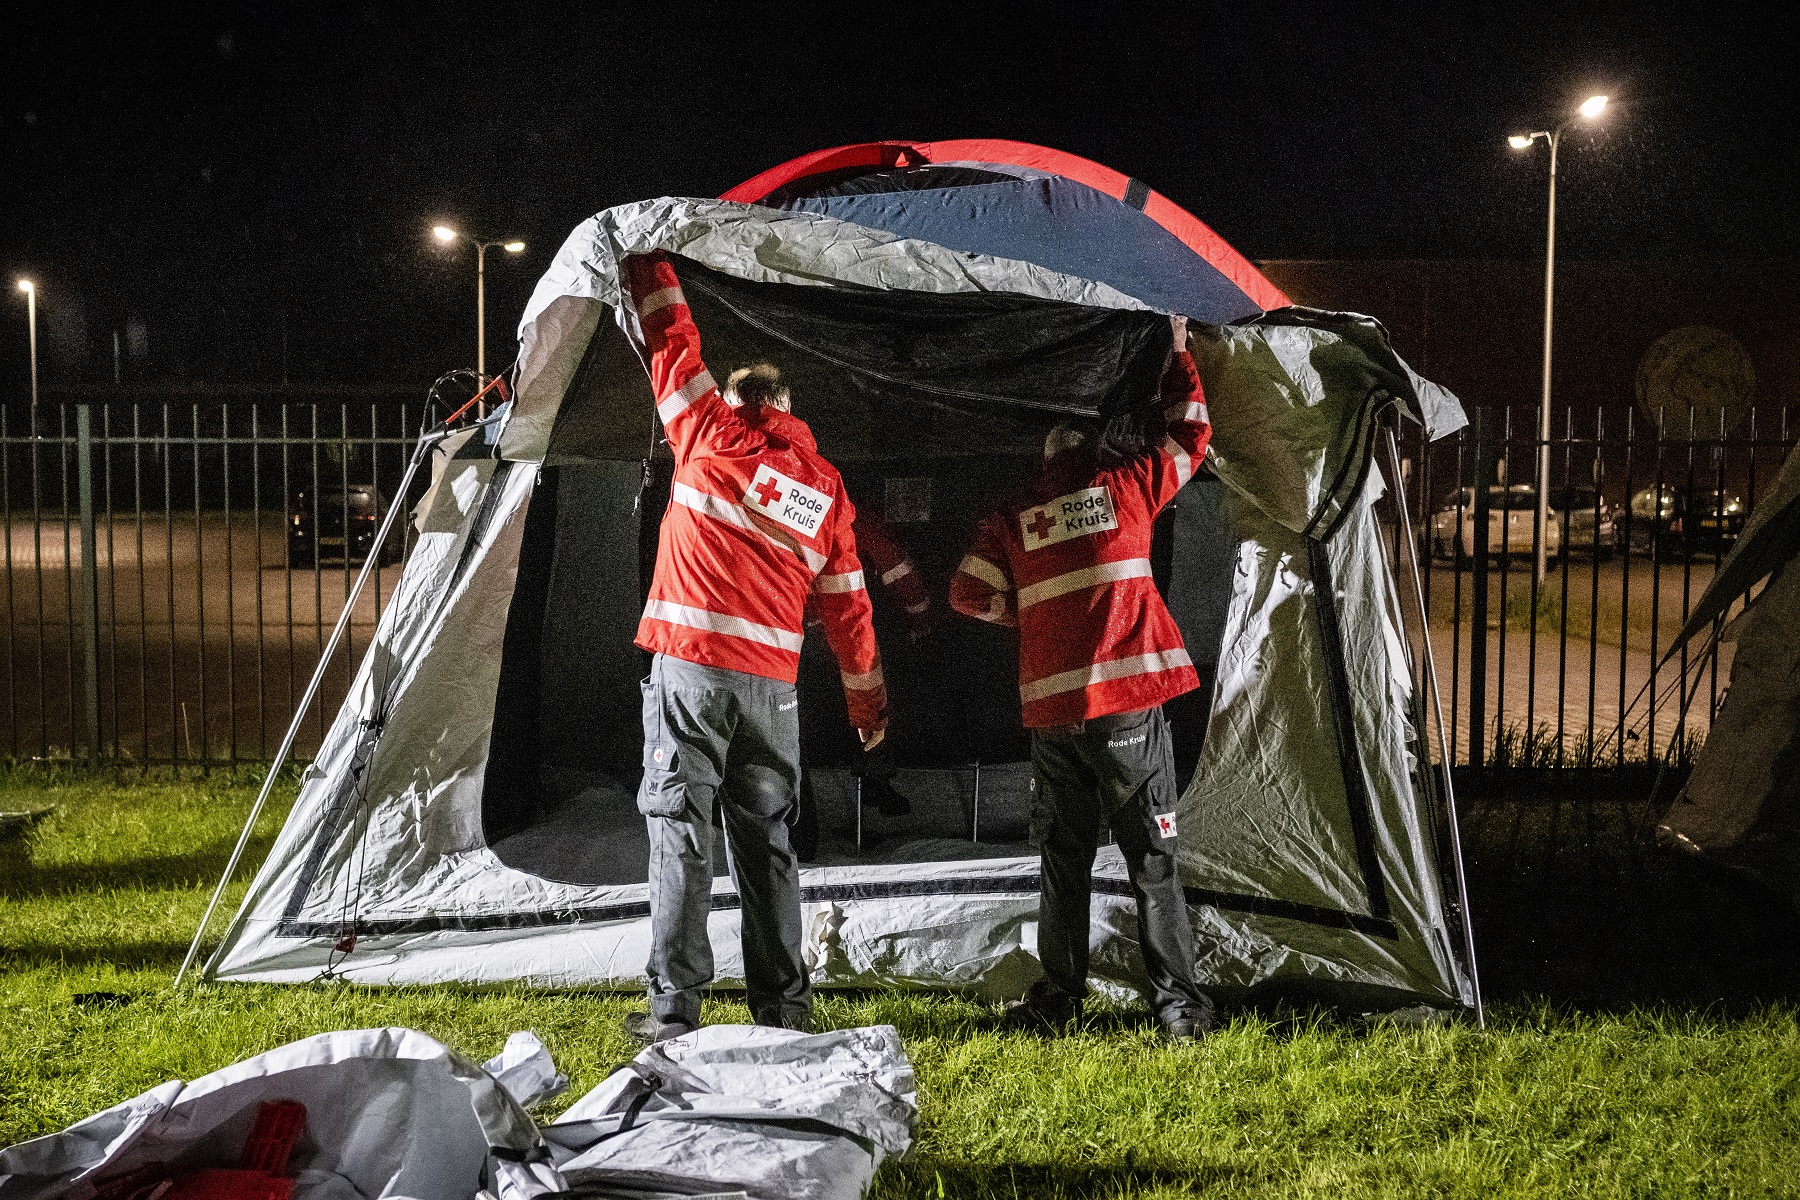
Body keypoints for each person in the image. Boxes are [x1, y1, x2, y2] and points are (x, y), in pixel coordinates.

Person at [623, 251, 887, 1043]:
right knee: (767, 843)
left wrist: (645, 255)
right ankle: (785, 1007)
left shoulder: (708, 431)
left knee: (681, 829)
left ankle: (675, 1010)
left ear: (736, 402)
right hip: (773, 690)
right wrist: (867, 703)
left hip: (691, 674)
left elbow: (672, 337)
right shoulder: (825, 489)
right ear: (790, 408)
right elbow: (849, 609)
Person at [949, 314, 1215, 1041]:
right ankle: (1179, 1012)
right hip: (1129, 705)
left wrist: (1030, 617)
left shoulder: (1014, 512)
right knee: (1152, 856)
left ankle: (1059, 1000)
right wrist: (1180, 357)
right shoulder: (1126, 484)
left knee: (1062, 859)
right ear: (1090, 447)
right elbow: (1193, 437)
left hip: (1054, 713)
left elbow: (965, 594)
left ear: (1043, 461)